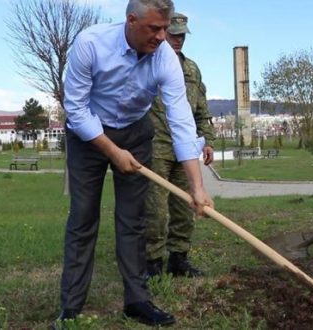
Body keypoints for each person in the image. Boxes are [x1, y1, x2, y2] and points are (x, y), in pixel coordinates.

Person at [56, 0, 213, 327]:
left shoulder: (165, 59)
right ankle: (70, 308)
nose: (161, 36)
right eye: (154, 28)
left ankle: (137, 301)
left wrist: (198, 187)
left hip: (136, 133)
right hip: (88, 137)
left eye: (165, 29)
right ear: (131, 20)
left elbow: (181, 122)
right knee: (83, 218)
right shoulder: (90, 44)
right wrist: (112, 151)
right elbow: (76, 110)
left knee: (133, 220)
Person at [144, 12, 215, 279]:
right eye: (173, 34)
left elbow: (201, 108)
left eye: (182, 35)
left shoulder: (192, 69)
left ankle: (178, 259)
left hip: (185, 150)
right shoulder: (148, 63)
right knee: (155, 209)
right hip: (155, 146)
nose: (178, 40)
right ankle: (151, 262)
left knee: (185, 207)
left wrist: (207, 140)